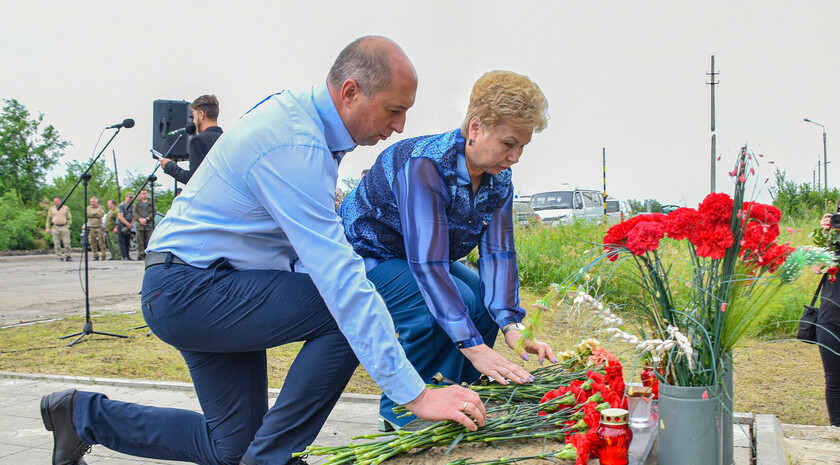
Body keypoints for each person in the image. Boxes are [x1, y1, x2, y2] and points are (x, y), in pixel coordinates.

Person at [39, 36, 485, 465]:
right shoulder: (294, 142)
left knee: (229, 447)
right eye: (394, 110)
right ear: (350, 92)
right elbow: (339, 279)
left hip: (207, 285)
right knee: (342, 308)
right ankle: (273, 460)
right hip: (190, 288)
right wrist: (417, 394)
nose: (400, 126)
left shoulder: (308, 129)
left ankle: (79, 416)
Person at [339, 70, 555, 429]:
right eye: (508, 143)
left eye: (522, 147)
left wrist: (512, 325)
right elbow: (429, 265)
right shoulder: (426, 165)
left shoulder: (499, 177)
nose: (515, 156)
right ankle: (404, 411)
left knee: (481, 303)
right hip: (364, 253)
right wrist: (473, 347)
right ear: (475, 128)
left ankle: (457, 396)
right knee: (430, 309)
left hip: (412, 257)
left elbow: (499, 253)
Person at [159, 94, 223, 185]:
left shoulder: (199, 140)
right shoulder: (226, 139)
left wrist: (168, 166)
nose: (193, 121)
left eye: (194, 117)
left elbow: (193, 179)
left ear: (201, 114)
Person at [815, 210, 840, 426]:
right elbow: (817, 268)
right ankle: (836, 430)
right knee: (833, 380)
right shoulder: (833, 240)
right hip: (830, 317)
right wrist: (826, 236)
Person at [45, 197, 72, 262]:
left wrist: (67, 225)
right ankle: (60, 256)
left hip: (63, 226)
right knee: (56, 243)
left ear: (60, 201)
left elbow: (69, 218)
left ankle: (68, 255)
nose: (55, 202)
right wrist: (47, 228)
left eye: (56, 201)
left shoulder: (66, 208)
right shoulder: (52, 209)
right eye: (54, 201)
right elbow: (48, 218)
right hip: (55, 227)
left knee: (67, 242)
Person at [132, 189, 155, 261]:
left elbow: (154, 212)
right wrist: (140, 219)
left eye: (145, 193)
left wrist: (147, 219)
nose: (144, 195)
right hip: (139, 224)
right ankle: (140, 255)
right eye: (142, 194)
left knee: (149, 240)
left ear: (147, 194)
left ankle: (149, 255)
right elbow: (135, 212)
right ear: (140, 195)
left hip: (148, 224)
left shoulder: (151, 203)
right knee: (140, 240)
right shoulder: (137, 203)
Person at [117, 194, 134, 260]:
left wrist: (131, 224)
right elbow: (120, 216)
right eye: (129, 197)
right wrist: (127, 224)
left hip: (129, 225)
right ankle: (124, 255)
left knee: (128, 241)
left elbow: (134, 216)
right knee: (122, 240)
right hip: (121, 225)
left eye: (131, 198)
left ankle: (128, 255)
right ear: (126, 197)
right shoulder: (122, 205)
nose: (130, 199)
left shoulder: (133, 206)